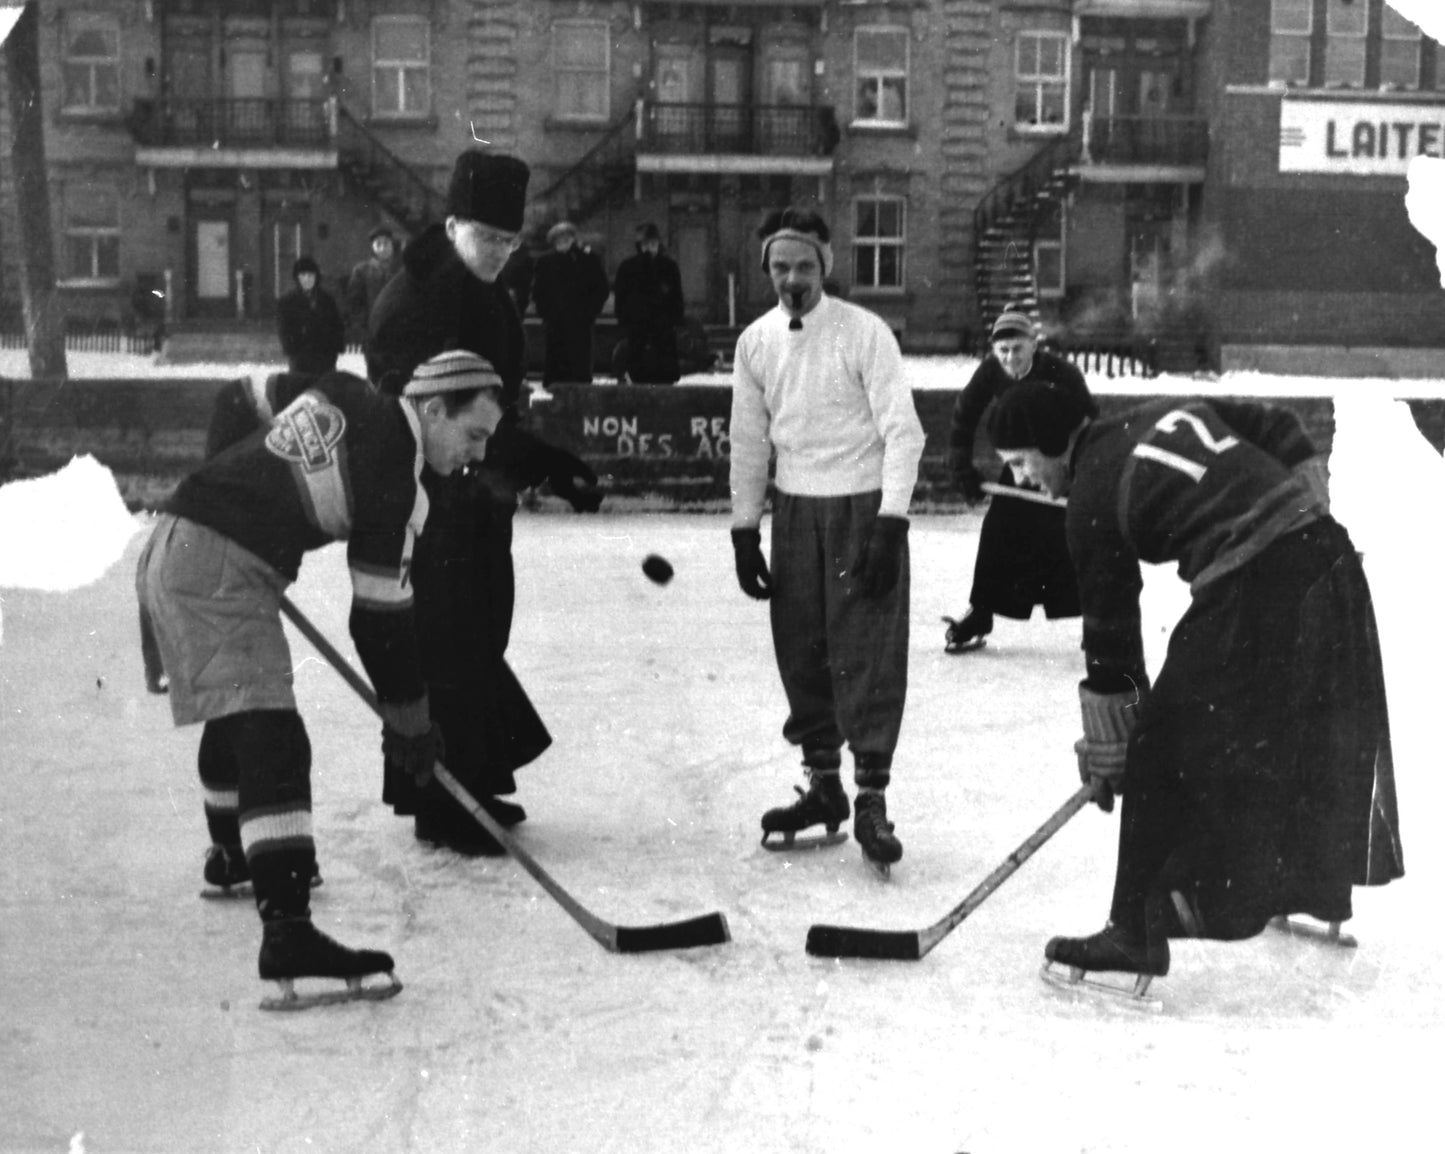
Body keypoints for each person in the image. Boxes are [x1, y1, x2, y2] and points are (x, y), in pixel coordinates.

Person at [982, 382, 1405, 992]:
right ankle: (1313, 886)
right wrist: (1309, 507)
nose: (1023, 479)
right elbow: (1281, 425)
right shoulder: (1156, 413)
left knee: (1160, 743)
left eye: (1022, 462)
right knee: (1280, 733)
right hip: (1329, 564)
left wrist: (1117, 750)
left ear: (1055, 443)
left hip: (1259, 583)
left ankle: (1135, 929)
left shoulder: (1089, 498)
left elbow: (1113, 650)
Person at [135, 350, 506, 1006]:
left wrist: (220, 489)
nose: (473, 454)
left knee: (238, 712)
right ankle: (288, 933)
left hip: (180, 538)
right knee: (273, 737)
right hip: (216, 566)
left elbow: (238, 396)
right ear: (432, 409)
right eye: (472, 434)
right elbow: (379, 620)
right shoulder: (399, 480)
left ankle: (233, 855)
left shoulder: (346, 391)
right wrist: (411, 722)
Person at [367, 150, 603, 856]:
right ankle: (439, 799)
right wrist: (539, 462)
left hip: (476, 497)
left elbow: (496, 406)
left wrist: (535, 465)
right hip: (427, 497)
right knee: (443, 641)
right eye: (486, 239)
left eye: (509, 242)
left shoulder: (487, 292)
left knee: (477, 631)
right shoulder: (417, 300)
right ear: (450, 226)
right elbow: (445, 416)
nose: (500, 254)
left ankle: (470, 774)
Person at [729, 206, 926, 872]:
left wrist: (889, 521)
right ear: (766, 270)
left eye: (804, 266)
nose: (792, 279)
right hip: (795, 515)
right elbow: (750, 440)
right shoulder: (756, 342)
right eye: (780, 267)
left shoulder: (862, 332)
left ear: (824, 268)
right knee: (803, 650)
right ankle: (822, 787)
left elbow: (904, 432)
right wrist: (742, 529)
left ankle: (871, 797)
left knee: (865, 651)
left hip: (861, 509)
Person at [942, 309, 1097, 653]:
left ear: (1033, 345)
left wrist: (1080, 475)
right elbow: (963, 417)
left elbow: (1090, 420)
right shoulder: (991, 372)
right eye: (1003, 350)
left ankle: (1096, 619)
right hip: (1019, 467)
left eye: (1017, 348)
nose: (1010, 357)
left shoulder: (1062, 372)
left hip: (1059, 470)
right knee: (998, 531)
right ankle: (981, 612)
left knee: (1073, 540)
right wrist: (961, 468)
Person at [531, 220, 611, 385]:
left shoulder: (588, 260)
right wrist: (547, 315)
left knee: (579, 368)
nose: (563, 243)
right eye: (559, 240)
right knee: (557, 368)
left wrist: (590, 313)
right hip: (556, 324)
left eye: (566, 239)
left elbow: (601, 289)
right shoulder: (545, 263)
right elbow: (539, 293)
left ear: (573, 239)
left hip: (580, 323)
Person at [612, 222, 685, 385]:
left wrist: (674, 319)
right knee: (640, 372)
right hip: (638, 328)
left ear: (659, 245)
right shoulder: (628, 268)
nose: (650, 248)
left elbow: (677, 298)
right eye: (646, 244)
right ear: (640, 246)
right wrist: (626, 320)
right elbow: (621, 297)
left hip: (663, 329)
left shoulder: (669, 267)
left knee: (663, 376)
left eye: (653, 244)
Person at [276, 256, 346, 376]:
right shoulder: (287, 302)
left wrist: (335, 349)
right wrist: (292, 350)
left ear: (316, 277)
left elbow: (337, 326)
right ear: (297, 277)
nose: (307, 279)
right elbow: (284, 330)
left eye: (311, 275)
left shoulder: (327, 300)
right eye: (303, 275)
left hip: (324, 359)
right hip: (300, 359)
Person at [344, 226, 400, 350]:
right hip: (373, 331)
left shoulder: (402, 270)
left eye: (386, 243)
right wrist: (363, 328)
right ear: (372, 247)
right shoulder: (361, 271)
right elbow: (355, 304)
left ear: (392, 245)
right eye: (378, 244)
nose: (383, 248)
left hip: (400, 330)